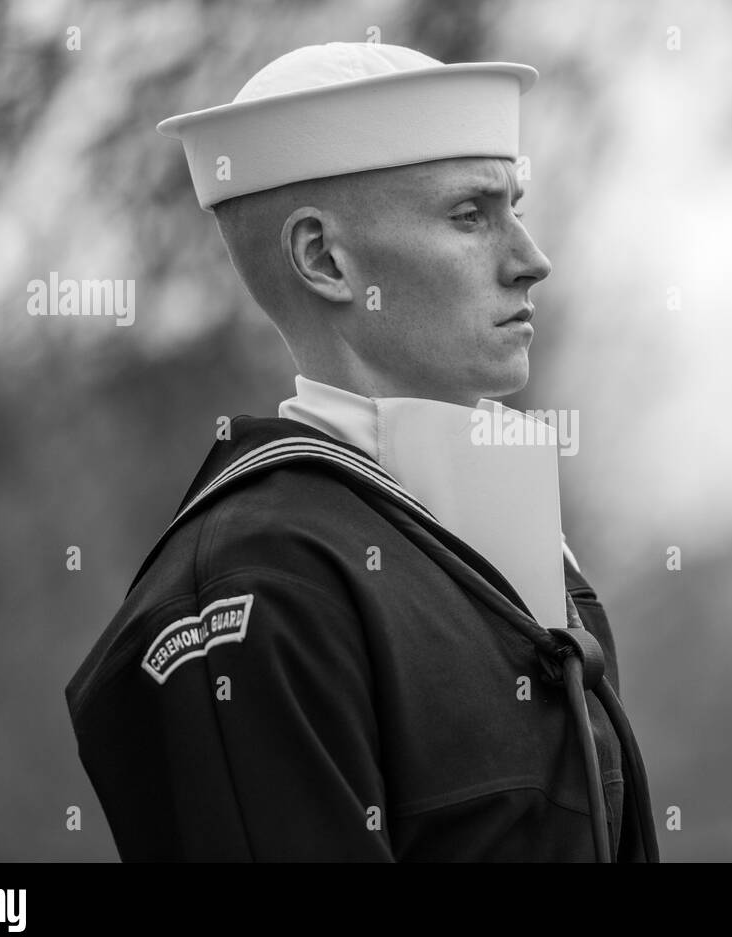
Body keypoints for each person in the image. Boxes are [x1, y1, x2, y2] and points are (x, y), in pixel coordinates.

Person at [64, 41, 658, 862]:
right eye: (471, 215)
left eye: (515, 208)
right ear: (324, 259)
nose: (530, 260)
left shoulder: (525, 550)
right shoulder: (258, 583)